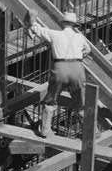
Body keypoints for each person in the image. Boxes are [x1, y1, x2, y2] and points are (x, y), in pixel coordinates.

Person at [27, 9, 91, 137]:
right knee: (81, 103)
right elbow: (87, 49)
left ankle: (45, 130)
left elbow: (36, 29)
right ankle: (91, 132)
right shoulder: (79, 36)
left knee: (51, 99)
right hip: (77, 69)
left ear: (63, 23)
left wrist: (32, 17)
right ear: (74, 25)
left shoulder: (54, 34)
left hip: (60, 68)